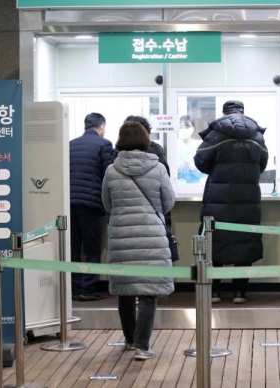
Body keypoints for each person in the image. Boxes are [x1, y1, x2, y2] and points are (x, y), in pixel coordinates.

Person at [102, 121, 175, 361]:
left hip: (122, 236)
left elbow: (107, 204)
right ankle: (143, 347)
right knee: (148, 292)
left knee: (125, 290)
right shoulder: (158, 169)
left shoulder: (112, 170)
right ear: (146, 140)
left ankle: (130, 340)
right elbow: (168, 203)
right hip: (151, 236)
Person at [194, 100, 268, 304]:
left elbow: (200, 162)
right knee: (245, 242)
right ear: (243, 112)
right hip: (248, 198)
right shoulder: (257, 136)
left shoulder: (215, 133)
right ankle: (239, 293)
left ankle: (215, 292)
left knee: (215, 242)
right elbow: (262, 165)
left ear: (224, 113)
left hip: (218, 197)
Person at [69, 112, 114, 301]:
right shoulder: (104, 144)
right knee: (92, 248)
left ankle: (75, 286)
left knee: (73, 247)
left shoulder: (70, 145)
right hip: (92, 203)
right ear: (101, 127)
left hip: (69, 202)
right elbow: (109, 173)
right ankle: (88, 289)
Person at [177, 115, 204, 184]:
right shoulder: (173, 146)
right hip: (177, 187)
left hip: (194, 187)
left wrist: (193, 169)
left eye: (187, 127)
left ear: (193, 128)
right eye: (181, 127)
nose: (183, 130)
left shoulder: (199, 145)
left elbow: (205, 172)